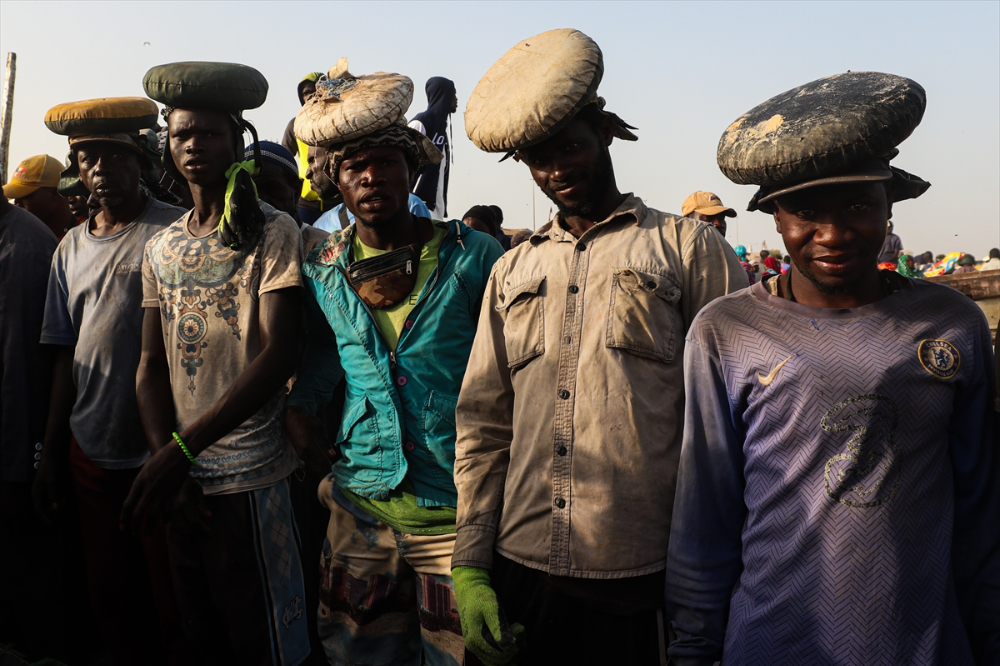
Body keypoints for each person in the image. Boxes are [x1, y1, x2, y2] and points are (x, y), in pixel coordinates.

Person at [667, 70, 998, 666]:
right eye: (804, 211)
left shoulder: (953, 325)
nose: (833, 233)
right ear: (773, 217)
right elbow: (705, 516)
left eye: (856, 205)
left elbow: (981, 508)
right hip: (771, 643)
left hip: (924, 646)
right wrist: (693, 648)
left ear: (888, 204)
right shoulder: (727, 332)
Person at [453, 29, 748, 665]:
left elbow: (739, 416)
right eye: (539, 159)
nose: (557, 169)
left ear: (605, 135)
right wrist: (471, 564)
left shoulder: (687, 249)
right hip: (521, 562)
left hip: (644, 571)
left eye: (571, 146)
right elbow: (482, 424)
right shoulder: (512, 270)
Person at [283, 62, 504, 665]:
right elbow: (327, 350)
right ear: (338, 182)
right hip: (361, 503)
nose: (372, 176)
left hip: (457, 513)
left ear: (411, 170)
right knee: (358, 653)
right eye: (356, 167)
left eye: (386, 161)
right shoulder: (323, 264)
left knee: (461, 655)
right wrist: (301, 408)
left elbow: (514, 371)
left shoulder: (472, 256)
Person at [123, 61, 311, 665]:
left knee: (266, 640)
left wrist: (183, 451)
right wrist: (167, 458)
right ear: (167, 146)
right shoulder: (161, 245)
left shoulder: (272, 232)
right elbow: (151, 363)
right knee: (201, 633)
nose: (195, 145)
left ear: (237, 141)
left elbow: (280, 348)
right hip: (182, 481)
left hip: (253, 475)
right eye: (182, 134)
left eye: (209, 133)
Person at [32, 97, 188, 665]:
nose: (99, 170)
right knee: (109, 599)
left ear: (140, 161)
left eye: (112, 157)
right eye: (86, 158)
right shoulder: (69, 248)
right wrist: (51, 455)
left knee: (171, 599)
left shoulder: (172, 233)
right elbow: (62, 355)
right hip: (90, 455)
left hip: (163, 450)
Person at [282, 72, 341, 224]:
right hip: (306, 202)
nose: (310, 96)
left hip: (337, 198)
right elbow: (285, 160)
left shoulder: (338, 121)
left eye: (315, 91)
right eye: (306, 93)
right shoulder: (295, 125)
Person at [409, 76, 457, 219]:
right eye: (453, 94)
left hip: (435, 207)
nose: (456, 99)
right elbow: (404, 160)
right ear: (443, 95)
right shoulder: (421, 122)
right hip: (418, 204)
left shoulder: (441, 127)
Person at [3, 155, 76, 239]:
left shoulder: (87, 238)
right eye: (15, 197)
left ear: (55, 195)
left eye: (25, 196)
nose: (17, 203)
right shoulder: (14, 239)